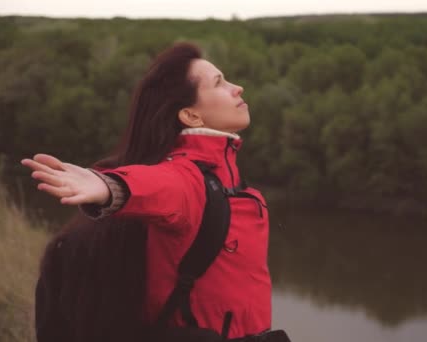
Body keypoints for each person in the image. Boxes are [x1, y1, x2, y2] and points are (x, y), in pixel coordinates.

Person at [21, 42, 288, 342]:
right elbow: (159, 185)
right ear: (191, 116)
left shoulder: (226, 178)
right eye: (219, 83)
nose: (237, 88)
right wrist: (109, 187)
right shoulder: (190, 177)